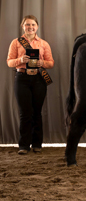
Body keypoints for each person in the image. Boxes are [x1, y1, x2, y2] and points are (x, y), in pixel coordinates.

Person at [7, 15, 54, 154]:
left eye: (33, 25)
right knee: (25, 113)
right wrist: (20, 59)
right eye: (27, 25)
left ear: (37, 27)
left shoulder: (44, 44)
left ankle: (37, 144)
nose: (30, 27)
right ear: (23, 26)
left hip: (39, 79)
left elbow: (51, 63)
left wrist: (42, 63)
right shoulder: (16, 42)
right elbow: (9, 61)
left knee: (37, 112)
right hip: (22, 78)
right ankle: (23, 146)